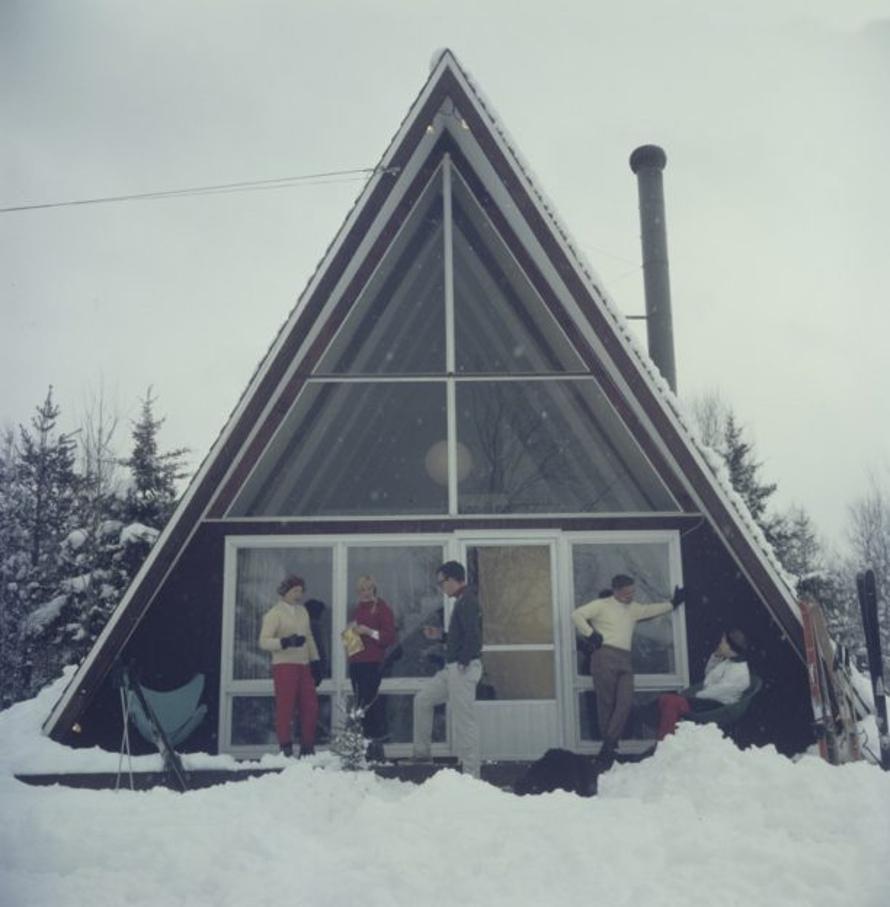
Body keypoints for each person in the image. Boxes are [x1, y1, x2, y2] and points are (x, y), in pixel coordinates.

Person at [572, 573, 685, 770]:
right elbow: (577, 615)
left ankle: (608, 744)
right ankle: (610, 748)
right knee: (606, 703)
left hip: (625, 659)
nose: (630, 596)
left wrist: (673, 603)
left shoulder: (633, 609)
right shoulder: (602, 605)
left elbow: (650, 609)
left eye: (632, 592)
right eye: (626, 594)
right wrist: (591, 634)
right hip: (604, 656)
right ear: (616, 591)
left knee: (625, 701)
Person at [412, 561, 483, 778]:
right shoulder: (462, 601)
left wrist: (463, 660)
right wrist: (441, 636)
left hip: (463, 667)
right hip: (453, 668)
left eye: (442, 582)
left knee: (464, 721)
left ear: (453, 580)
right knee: (423, 699)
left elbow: (474, 635)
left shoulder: (468, 601)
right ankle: (422, 753)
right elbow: (462, 635)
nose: (440, 587)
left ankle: (472, 775)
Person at [259, 575, 322, 757]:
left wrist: (315, 661)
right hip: (284, 665)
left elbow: (309, 637)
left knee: (310, 705)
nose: (298, 595)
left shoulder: (303, 611)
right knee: (285, 706)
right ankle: (285, 746)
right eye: (295, 591)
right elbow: (264, 642)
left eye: (301, 591)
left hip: (303, 664)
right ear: (285, 592)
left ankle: (307, 746)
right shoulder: (274, 614)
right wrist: (285, 642)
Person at [656, 628, 751, 740]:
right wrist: (716, 657)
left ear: (730, 646)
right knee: (665, 699)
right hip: (706, 701)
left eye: (722, 642)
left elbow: (717, 693)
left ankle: (665, 741)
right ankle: (667, 737)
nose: (720, 644)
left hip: (715, 708)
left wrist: (696, 695)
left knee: (671, 702)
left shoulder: (739, 672)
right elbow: (709, 676)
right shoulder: (728, 662)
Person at [346, 575, 397, 760]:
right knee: (360, 705)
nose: (365, 593)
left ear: (374, 589)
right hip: (356, 662)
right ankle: (362, 746)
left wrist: (368, 631)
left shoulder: (382, 609)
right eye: (361, 590)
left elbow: (389, 637)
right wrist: (349, 635)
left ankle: (376, 748)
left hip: (373, 662)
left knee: (371, 704)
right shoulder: (356, 609)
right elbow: (351, 641)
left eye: (368, 589)